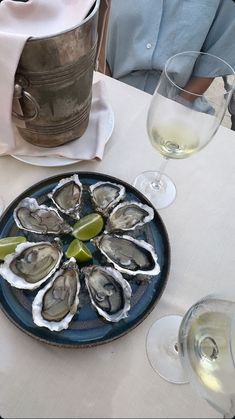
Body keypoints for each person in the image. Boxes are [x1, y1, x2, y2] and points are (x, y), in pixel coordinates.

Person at [106, 0, 235, 94]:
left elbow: (215, 58)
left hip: (178, 98)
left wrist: (180, 105)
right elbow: (95, 28)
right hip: (109, 84)